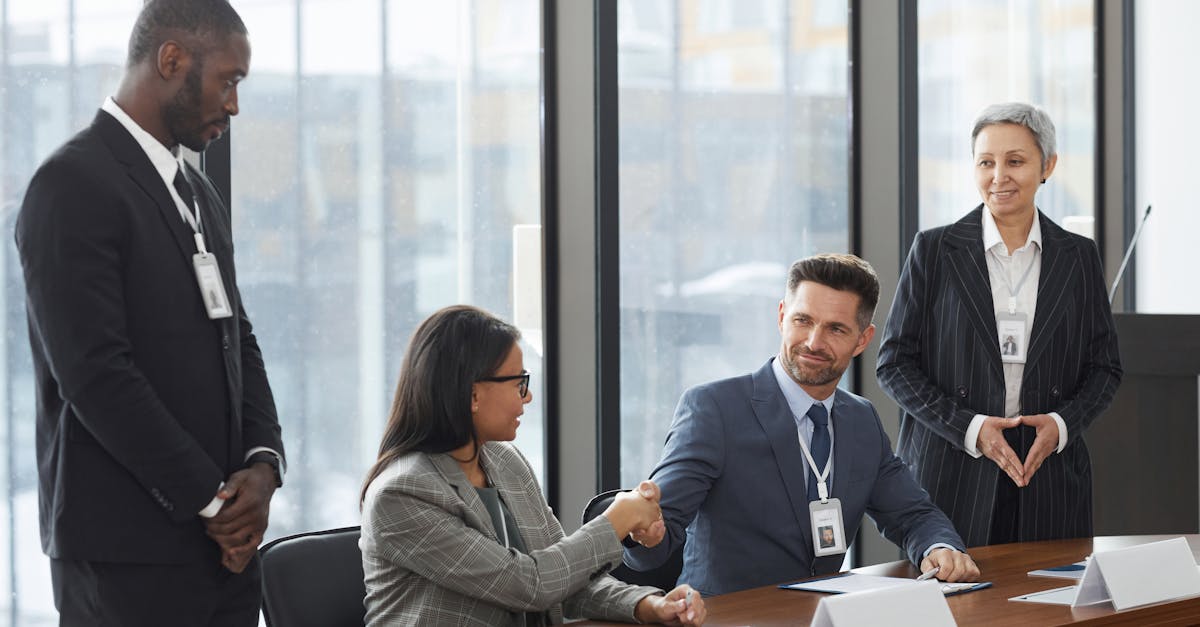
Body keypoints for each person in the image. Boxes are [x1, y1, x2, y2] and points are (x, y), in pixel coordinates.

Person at [14, 1, 285, 625]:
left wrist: (263, 466)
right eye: (229, 80)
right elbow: (96, 376)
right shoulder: (71, 184)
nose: (235, 105)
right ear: (172, 60)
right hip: (126, 559)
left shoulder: (198, 193)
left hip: (224, 554)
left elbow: (237, 340)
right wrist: (212, 504)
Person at [624, 254, 978, 596]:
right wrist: (646, 532)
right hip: (727, 617)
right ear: (782, 316)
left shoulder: (861, 419)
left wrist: (940, 546)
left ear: (863, 340)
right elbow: (656, 533)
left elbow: (912, 513)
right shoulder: (714, 409)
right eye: (803, 320)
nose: (814, 342)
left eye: (836, 329)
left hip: (820, 615)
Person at [359, 305, 706, 626]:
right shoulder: (401, 493)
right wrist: (616, 520)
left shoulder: (504, 462)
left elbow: (565, 579)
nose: (528, 396)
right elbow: (528, 584)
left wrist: (649, 606)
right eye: (518, 382)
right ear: (472, 395)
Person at [877, 102, 1122, 548]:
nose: (998, 176)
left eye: (1015, 161)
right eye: (986, 162)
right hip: (952, 470)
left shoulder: (1078, 256)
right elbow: (894, 364)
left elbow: (1104, 368)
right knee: (954, 611)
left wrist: (1062, 425)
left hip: (1047, 475)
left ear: (1047, 165)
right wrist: (971, 428)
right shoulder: (933, 250)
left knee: (1051, 607)